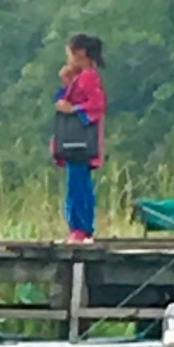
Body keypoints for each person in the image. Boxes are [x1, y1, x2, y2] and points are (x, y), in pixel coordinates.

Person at [53, 33, 107, 243]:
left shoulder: (88, 77)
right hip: (77, 141)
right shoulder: (81, 77)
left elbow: (96, 105)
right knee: (78, 182)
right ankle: (80, 228)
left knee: (78, 185)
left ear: (80, 53)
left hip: (80, 141)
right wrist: (67, 81)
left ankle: (80, 228)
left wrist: (74, 110)